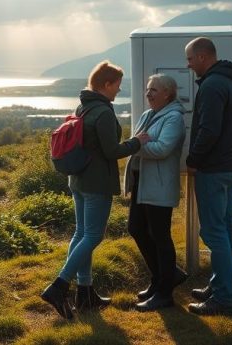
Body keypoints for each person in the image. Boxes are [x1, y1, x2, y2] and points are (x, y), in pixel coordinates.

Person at [41, 60, 150, 319]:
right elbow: (111, 151)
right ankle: (59, 286)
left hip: (78, 180)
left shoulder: (83, 106)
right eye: (117, 86)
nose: (118, 91)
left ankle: (85, 292)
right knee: (93, 236)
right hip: (97, 183)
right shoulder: (103, 113)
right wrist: (137, 142)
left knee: (81, 234)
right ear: (106, 84)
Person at [184, 37, 232, 315]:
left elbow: (208, 130)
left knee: (213, 232)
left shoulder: (211, 86)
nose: (188, 65)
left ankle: (223, 297)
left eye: (189, 59)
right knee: (228, 227)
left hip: (213, 169)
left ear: (202, 57)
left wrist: (193, 160)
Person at [125, 73, 188, 311]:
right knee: (137, 229)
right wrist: (138, 142)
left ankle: (164, 293)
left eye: (154, 90)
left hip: (159, 184)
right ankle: (165, 276)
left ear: (167, 94)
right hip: (143, 182)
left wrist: (138, 144)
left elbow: (162, 148)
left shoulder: (173, 118)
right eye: (148, 89)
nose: (148, 93)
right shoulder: (148, 114)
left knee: (160, 236)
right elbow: (139, 141)